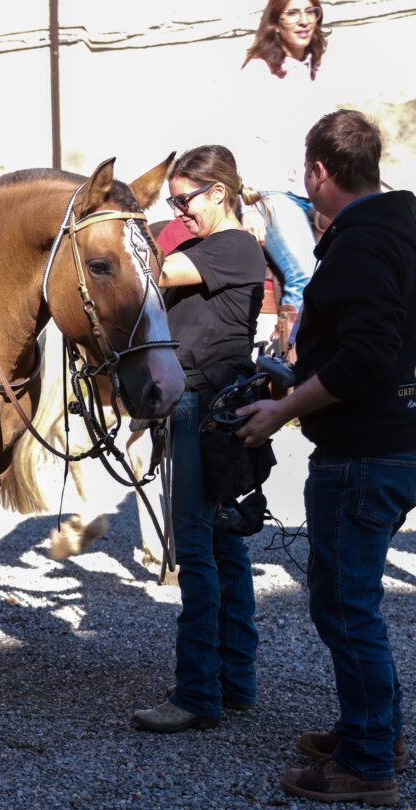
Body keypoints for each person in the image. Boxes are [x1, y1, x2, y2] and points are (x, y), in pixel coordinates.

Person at [236, 110, 416, 804]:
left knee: (347, 608)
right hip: (401, 444)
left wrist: (281, 410)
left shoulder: (357, 247)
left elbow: (366, 354)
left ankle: (366, 765)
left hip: (363, 457)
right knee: (350, 602)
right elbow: (397, 346)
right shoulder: (407, 233)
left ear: (318, 172)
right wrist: (297, 373)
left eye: (305, 170)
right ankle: (375, 729)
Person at [131, 146, 266, 732]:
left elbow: (152, 271)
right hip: (209, 403)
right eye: (172, 201)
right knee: (224, 547)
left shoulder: (233, 246)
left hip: (202, 403)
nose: (179, 210)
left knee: (197, 550)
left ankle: (196, 696)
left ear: (218, 192)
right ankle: (234, 683)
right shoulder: (209, 244)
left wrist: (131, 222)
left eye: (185, 199)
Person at [237, 0, 331, 347]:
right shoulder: (258, 72)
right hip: (275, 193)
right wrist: (251, 206)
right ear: (275, 23)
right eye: (293, 12)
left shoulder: (316, 71)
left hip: (319, 191)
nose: (304, 20)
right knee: (305, 275)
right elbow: (243, 137)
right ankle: (289, 365)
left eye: (311, 11)